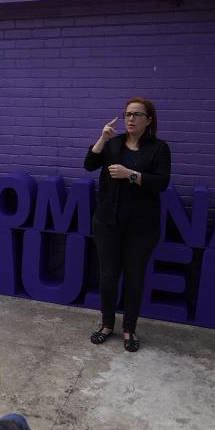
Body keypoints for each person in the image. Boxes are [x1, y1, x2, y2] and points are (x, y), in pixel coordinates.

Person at [84, 97, 171, 352]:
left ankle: (129, 329)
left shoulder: (159, 148)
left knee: (134, 277)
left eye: (137, 114)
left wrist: (130, 175)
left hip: (142, 227)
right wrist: (101, 138)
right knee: (108, 276)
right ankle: (107, 324)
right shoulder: (112, 144)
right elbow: (89, 164)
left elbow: (162, 183)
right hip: (107, 223)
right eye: (127, 114)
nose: (130, 119)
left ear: (149, 120)